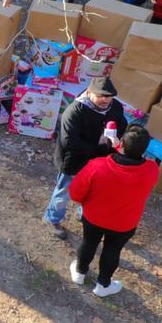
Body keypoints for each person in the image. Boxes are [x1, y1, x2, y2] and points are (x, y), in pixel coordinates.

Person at [67, 125, 160, 297]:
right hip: (125, 223)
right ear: (146, 149)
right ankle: (103, 285)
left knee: (89, 243)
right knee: (113, 250)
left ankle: (79, 273)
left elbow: (75, 193)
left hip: (94, 217)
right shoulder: (152, 169)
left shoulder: (97, 166)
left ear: (122, 142)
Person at [44, 76, 127, 239]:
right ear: (89, 93)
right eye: (101, 96)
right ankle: (52, 219)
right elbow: (70, 142)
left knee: (91, 192)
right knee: (63, 193)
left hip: (100, 162)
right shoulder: (75, 111)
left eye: (109, 96)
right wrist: (101, 146)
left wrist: (117, 139)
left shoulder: (114, 107)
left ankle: (84, 215)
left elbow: (122, 125)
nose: (105, 100)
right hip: (74, 161)